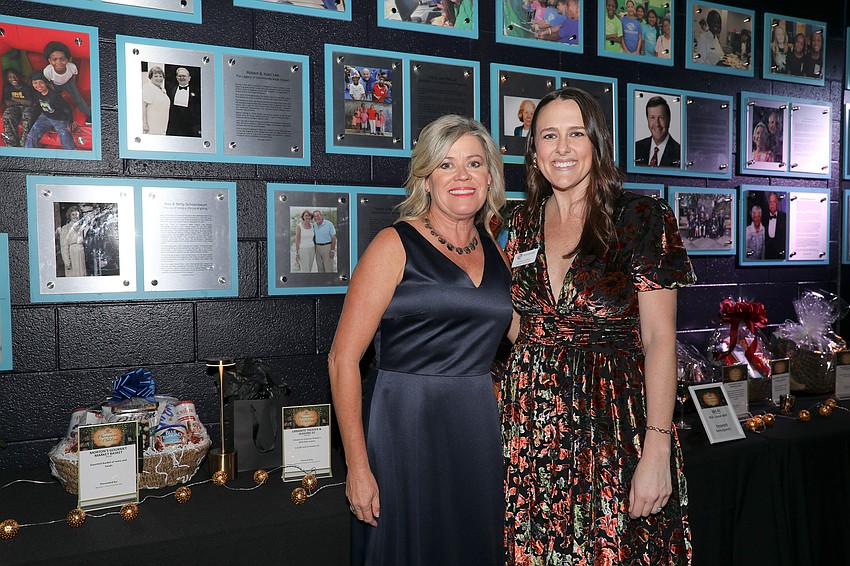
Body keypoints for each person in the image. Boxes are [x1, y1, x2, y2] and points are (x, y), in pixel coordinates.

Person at [503, 87, 694, 563]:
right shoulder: (515, 223)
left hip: (613, 424)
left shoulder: (641, 217)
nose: (562, 148)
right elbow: (509, 326)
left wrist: (657, 450)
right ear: (534, 150)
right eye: (549, 136)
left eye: (576, 133)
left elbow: (658, 339)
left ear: (598, 143)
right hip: (530, 431)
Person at [329, 114, 510, 565]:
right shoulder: (393, 245)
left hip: (477, 426)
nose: (462, 176)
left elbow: (529, 335)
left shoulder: (497, 249)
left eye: (474, 163)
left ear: (490, 176)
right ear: (426, 180)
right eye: (446, 165)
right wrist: (357, 467)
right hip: (404, 424)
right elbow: (342, 359)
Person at [42, 41, 91, 124]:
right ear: (50, 61)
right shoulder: (47, 71)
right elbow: (49, 82)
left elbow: (73, 76)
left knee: (78, 99)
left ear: (67, 60)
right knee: (53, 100)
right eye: (54, 59)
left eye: (62, 59)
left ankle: (90, 116)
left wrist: (73, 86)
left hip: (68, 82)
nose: (58, 62)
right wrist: (54, 91)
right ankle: (56, 118)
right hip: (55, 85)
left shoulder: (72, 67)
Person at [25, 71, 75, 150]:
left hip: (59, 119)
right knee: (31, 136)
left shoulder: (54, 96)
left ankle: (71, 156)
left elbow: (67, 108)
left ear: (46, 83)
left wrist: (71, 121)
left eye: (41, 83)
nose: (38, 86)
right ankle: (29, 154)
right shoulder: (37, 93)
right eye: (35, 83)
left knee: (65, 138)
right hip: (45, 116)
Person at [634, 96, 680, 167]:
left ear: (669, 119)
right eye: (652, 117)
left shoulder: (680, 153)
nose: (657, 124)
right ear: (647, 120)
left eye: (661, 117)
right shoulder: (636, 149)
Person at [2, 68, 38, 147]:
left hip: (27, 107)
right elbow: (7, 102)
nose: (13, 78)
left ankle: (23, 145)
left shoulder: (26, 87)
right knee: (7, 116)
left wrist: (14, 99)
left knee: (27, 117)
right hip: (15, 107)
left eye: (15, 76)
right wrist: (21, 101)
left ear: (19, 76)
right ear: (7, 78)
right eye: (10, 76)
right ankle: (12, 144)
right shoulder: (7, 88)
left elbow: (29, 102)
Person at [166, 67, 201, 137]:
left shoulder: (197, 92)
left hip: (190, 127)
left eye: (184, 76)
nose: (182, 78)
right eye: (180, 76)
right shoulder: (171, 90)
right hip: (175, 128)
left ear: (189, 78)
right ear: (176, 77)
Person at [59, 205, 87, 277]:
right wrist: (67, 262)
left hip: (81, 253)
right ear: (70, 216)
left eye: (76, 214)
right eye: (73, 214)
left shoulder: (82, 227)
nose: (75, 216)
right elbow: (64, 246)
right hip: (72, 255)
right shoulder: (66, 228)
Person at [142, 66, 170, 135]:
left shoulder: (162, 90)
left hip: (161, 126)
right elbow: (143, 106)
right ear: (151, 77)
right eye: (156, 76)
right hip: (151, 126)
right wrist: (144, 124)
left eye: (161, 76)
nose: (159, 78)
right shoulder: (148, 87)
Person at [764, 192, 787, 260]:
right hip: (766, 256)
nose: (772, 204)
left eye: (774, 202)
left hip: (779, 256)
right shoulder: (764, 217)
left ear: (777, 203)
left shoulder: (784, 217)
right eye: (770, 202)